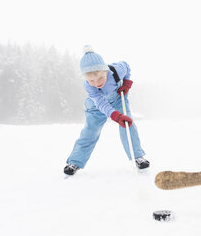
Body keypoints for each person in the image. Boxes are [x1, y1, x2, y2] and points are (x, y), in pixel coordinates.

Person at [63, 45, 149, 176]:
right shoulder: (88, 86)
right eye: (91, 80)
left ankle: (137, 157)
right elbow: (101, 103)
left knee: (127, 125)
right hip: (96, 107)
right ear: (86, 78)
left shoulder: (116, 70)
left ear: (105, 71)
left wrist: (126, 83)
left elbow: (127, 67)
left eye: (100, 78)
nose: (97, 83)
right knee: (89, 132)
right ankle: (75, 162)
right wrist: (115, 116)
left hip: (118, 99)